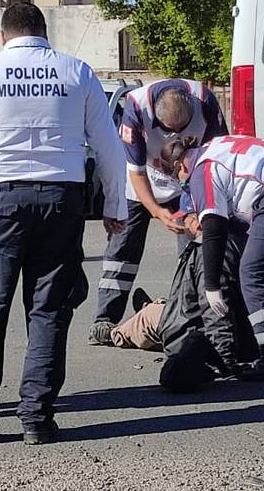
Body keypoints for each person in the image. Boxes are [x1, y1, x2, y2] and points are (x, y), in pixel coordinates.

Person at [0, 2, 127, 446]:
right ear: (45, 32)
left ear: (4, 36)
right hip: (62, 201)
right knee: (49, 310)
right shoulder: (76, 72)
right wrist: (116, 206)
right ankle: (37, 418)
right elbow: (109, 148)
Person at [160, 134, 264, 379]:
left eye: (177, 178)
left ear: (181, 166)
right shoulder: (217, 146)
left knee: (253, 272)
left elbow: (214, 228)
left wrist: (211, 285)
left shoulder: (202, 170)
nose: (182, 184)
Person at [89, 79, 227, 344]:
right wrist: (156, 211)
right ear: (156, 117)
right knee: (122, 249)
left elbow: (217, 157)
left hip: (189, 181)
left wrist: (197, 209)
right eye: (169, 130)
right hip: (144, 181)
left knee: (194, 252)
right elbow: (136, 171)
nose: (176, 137)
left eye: (182, 129)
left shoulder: (205, 100)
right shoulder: (135, 106)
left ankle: (189, 316)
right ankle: (105, 318)